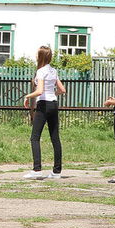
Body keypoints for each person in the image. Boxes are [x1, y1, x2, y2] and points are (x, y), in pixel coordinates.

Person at [22, 45, 66, 179]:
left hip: (43, 104)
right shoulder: (53, 71)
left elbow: (40, 91)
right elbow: (62, 90)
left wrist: (27, 97)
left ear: (40, 56)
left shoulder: (41, 71)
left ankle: (36, 170)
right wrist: (53, 93)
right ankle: (57, 171)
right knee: (55, 137)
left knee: (35, 137)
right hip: (53, 104)